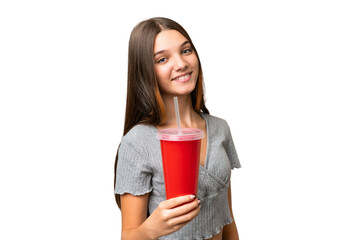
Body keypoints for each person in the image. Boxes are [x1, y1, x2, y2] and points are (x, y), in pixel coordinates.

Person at [114, 17, 241, 240]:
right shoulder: (138, 142)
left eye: (186, 50)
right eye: (162, 59)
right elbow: (128, 236)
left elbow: (227, 219)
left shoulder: (220, 129)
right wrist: (151, 229)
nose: (181, 64)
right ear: (146, 71)